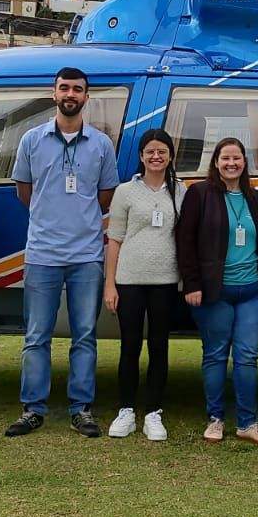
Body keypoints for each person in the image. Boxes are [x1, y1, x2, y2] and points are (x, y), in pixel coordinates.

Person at [7, 68, 120, 438]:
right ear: (53, 92)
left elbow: (105, 198)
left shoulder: (101, 144)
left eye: (78, 89)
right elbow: (25, 193)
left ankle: (81, 408)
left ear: (87, 97)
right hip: (42, 254)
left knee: (84, 335)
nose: (71, 94)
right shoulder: (31, 140)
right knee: (36, 335)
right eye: (64, 88)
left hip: (87, 256)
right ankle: (33, 409)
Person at [175, 136, 258, 446]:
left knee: (248, 357)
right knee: (216, 355)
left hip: (249, 291)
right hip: (213, 292)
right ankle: (215, 418)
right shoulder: (200, 194)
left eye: (237, 158)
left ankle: (247, 422)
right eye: (225, 158)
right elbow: (185, 241)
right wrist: (191, 283)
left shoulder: (255, 198)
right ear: (216, 162)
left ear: (244, 163)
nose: (231, 163)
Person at [103, 128, 183, 442]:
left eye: (161, 151)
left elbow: (183, 237)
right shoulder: (125, 191)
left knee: (159, 346)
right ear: (141, 156)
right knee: (130, 346)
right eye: (149, 151)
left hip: (165, 280)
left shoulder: (180, 190)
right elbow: (114, 240)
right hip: (129, 280)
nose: (155, 156)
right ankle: (126, 410)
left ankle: (153, 412)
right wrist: (110, 284)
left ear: (170, 156)